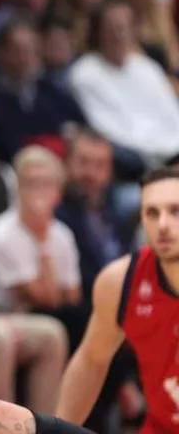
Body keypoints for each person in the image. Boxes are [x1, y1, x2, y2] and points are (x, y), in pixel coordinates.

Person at [55, 164, 179, 432]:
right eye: (152, 213)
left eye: (175, 211)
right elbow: (91, 361)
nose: (164, 225)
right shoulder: (120, 280)